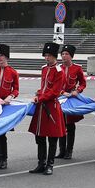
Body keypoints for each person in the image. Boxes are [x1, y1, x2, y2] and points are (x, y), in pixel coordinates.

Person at [29, 42, 65, 175]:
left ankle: (50, 165)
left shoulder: (59, 71)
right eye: (46, 55)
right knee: (40, 137)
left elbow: (55, 91)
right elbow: (43, 87)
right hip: (42, 107)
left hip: (51, 107)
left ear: (55, 56)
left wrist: (41, 98)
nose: (47, 58)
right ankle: (41, 163)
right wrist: (38, 94)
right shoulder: (44, 69)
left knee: (52, 137)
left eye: (49, 55)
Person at [56, 44, 86, 160]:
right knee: (61, 124)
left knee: (70, 125)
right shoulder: (58, 68)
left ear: (71, 56)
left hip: (72, 100)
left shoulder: (77, 68)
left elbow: (83, 83)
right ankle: (61, 150)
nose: (64, 56)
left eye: (66, 54)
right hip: (60, 98)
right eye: (62, 54)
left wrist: (77, 90)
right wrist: (62, 92)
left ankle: (69, 151)